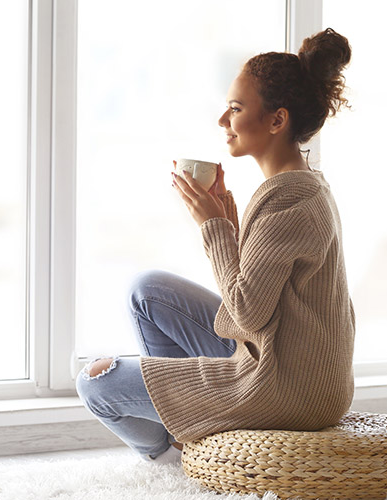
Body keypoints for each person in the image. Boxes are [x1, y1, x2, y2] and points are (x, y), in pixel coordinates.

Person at [76, 27, 356, 465]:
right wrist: (230, 223)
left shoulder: (288, 199)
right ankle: (189, 432)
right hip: (290, 361)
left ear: (277, 120)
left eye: (235, 109)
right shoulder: (302, 185)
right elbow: (269, 294)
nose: (222, 121)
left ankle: (170, 458)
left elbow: (246, 312)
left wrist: (215, 229)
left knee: (96, 382)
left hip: (285, 387)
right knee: (146, 291)